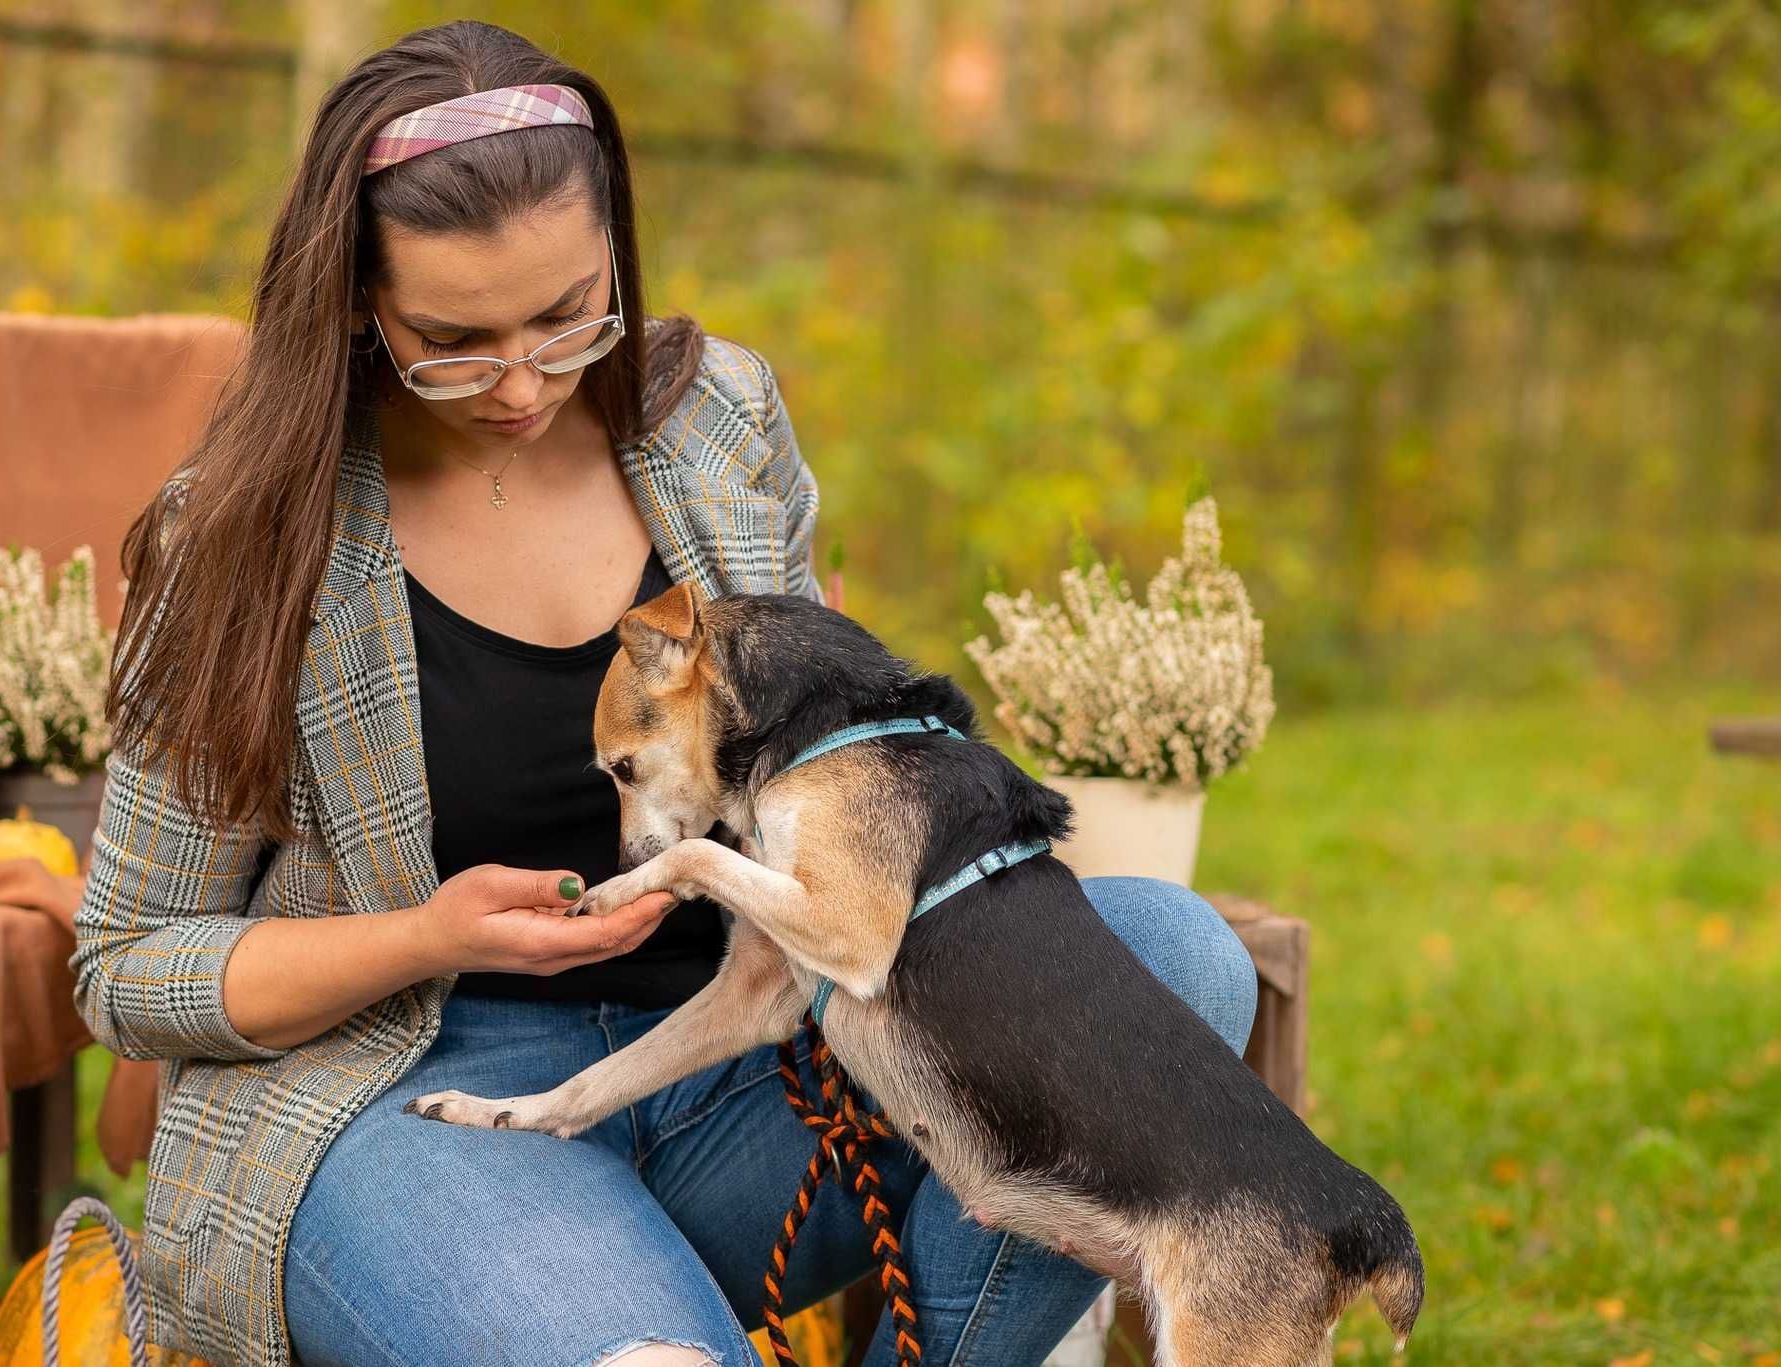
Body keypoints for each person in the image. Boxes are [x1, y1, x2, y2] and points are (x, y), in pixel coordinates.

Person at [71, 19, 1259, 1367]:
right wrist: (426, 936)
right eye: (454, 343)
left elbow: (832, 759)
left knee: (1179, 962)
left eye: (569, 314)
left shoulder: (721, 425)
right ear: (353, 299)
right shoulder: (246, 535)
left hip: (757, 1061)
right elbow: (125, 968)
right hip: (425, 1101)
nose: (524, 385)